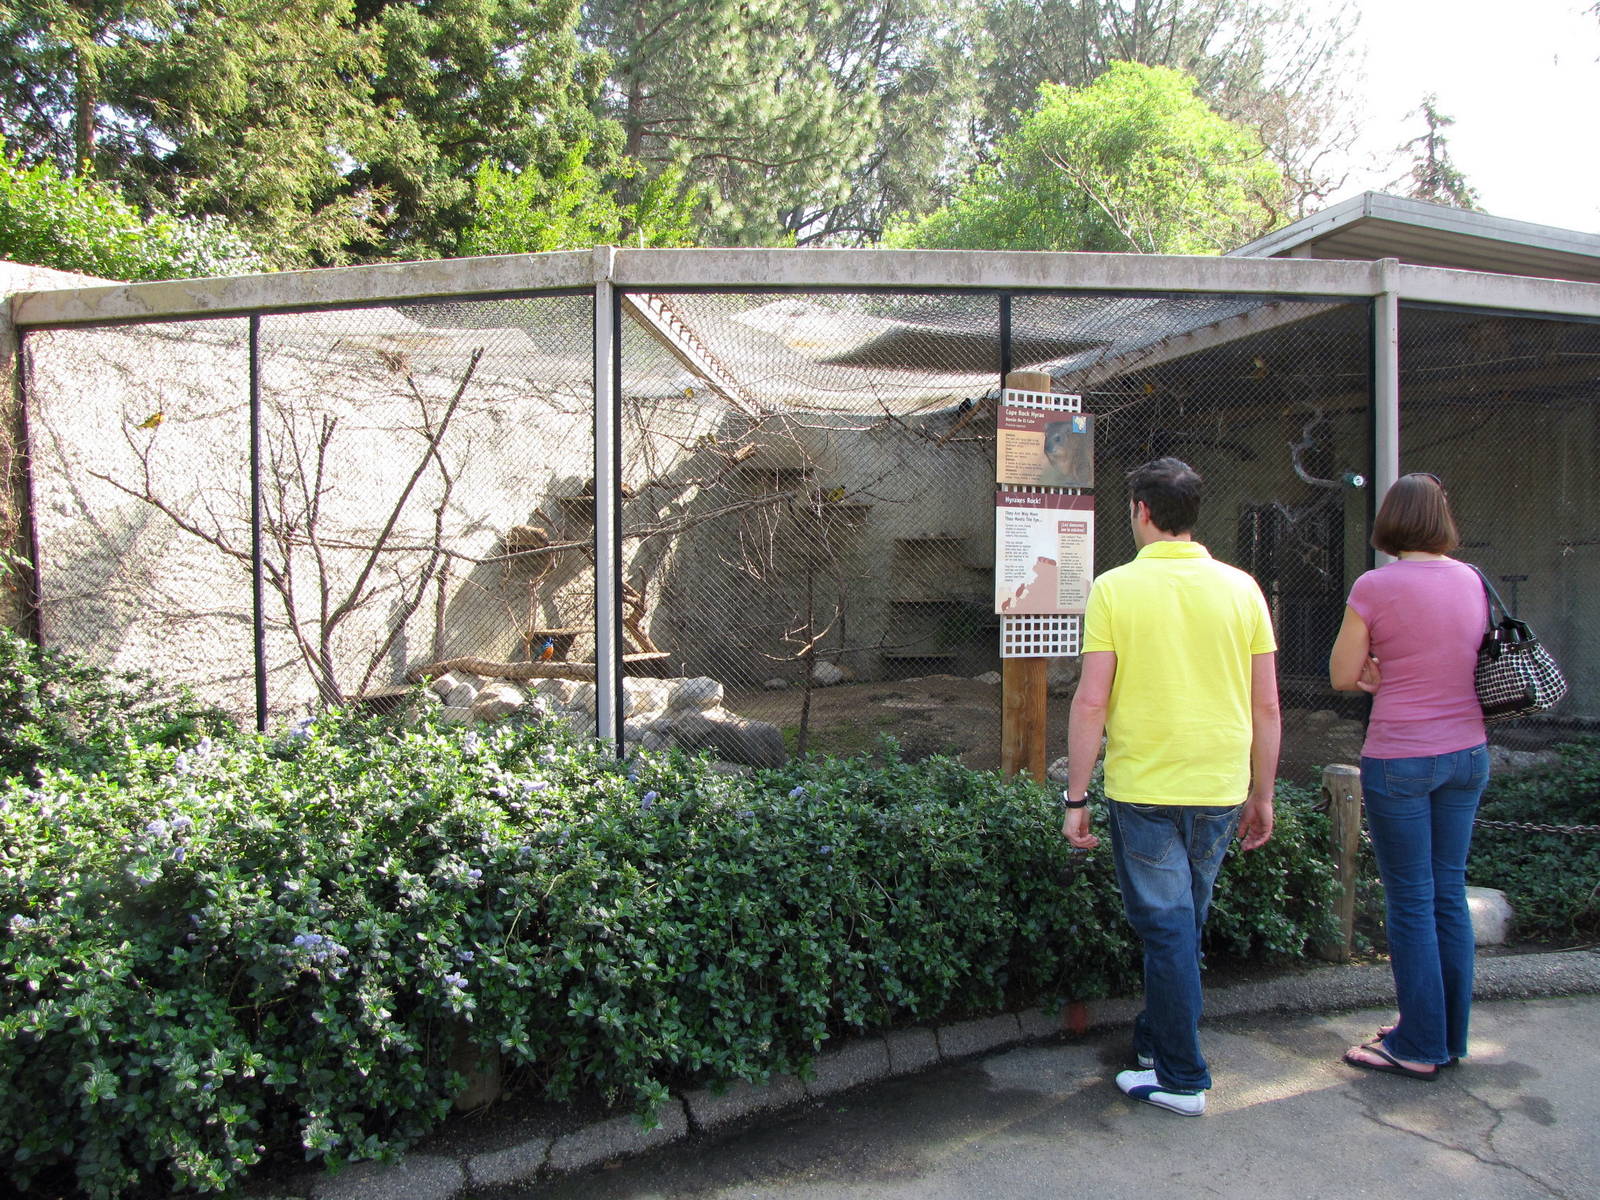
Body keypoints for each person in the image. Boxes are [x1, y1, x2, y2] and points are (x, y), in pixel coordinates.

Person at [1063, 457, 1280, 1117]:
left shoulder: (1114, 589)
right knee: (1180, 925)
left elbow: (1091, 701)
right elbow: (1268, 707)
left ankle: (1182, 1076)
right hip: (1218, 784)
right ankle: (1156, 1046)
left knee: (1166, 929)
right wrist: (1262, 792)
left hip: (1145, 784)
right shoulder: (1243, 588)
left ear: (1142, 512)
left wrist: (1075, 798)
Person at [1330, 472, 1490, 1081]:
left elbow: (1344, 674)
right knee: (1448, 893)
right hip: (1468, 753)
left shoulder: (1375, 584)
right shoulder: (1473, 579)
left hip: (1401, 757)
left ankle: (1416, 1042)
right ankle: (1449, 1036)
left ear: (1390, 521)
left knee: (1412, 901)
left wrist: (1375, 664)